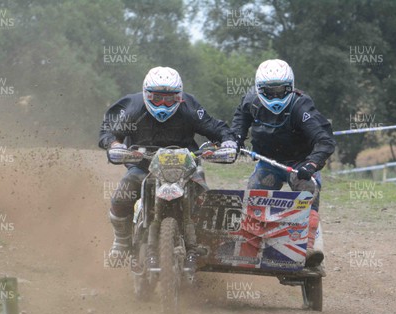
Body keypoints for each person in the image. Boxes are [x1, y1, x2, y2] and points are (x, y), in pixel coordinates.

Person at [99, 66, 237, 274]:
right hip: (144, 165)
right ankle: (121, 240)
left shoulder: (189, 107)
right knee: (122, 196)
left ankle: (206, 244)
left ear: (179, 97)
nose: (163, 104)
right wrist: (114, 145)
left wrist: (227, 142)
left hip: (186, 166)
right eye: (156, 98)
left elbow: (216, 128)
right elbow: (108, 131)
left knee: (206, 199)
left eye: (170, 99)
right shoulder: (133, 109)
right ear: (146, 94)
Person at [225, 59, 335, 268]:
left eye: (281, 90)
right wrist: (236, 139)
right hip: (269, 163)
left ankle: (309, 248)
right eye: (269, 91)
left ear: (291, 87)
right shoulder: (251, 101)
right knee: (254, 197)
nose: (276, 96)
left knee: (309, 194)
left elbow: (324, 139)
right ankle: (249, 247)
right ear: (259, 89)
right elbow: (240, 119)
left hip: (299, 165)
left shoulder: (301, 105)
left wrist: (312, 164)